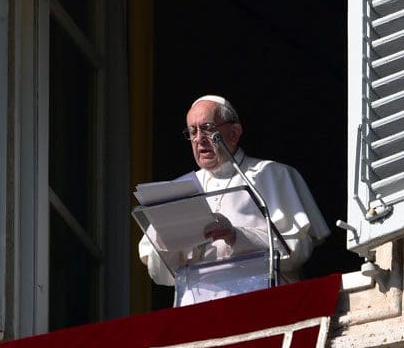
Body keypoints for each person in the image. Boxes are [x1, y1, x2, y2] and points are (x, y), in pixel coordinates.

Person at [138, 95, 330, 291]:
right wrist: (163, 238)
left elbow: (298, 252)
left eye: (207, 128)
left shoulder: (274, 174)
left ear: (234, 133)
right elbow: (162, 276)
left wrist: (236, 236)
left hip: (258, 301)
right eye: (192, 131)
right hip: (197, 306)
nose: (199, 139)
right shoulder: (178, 189)